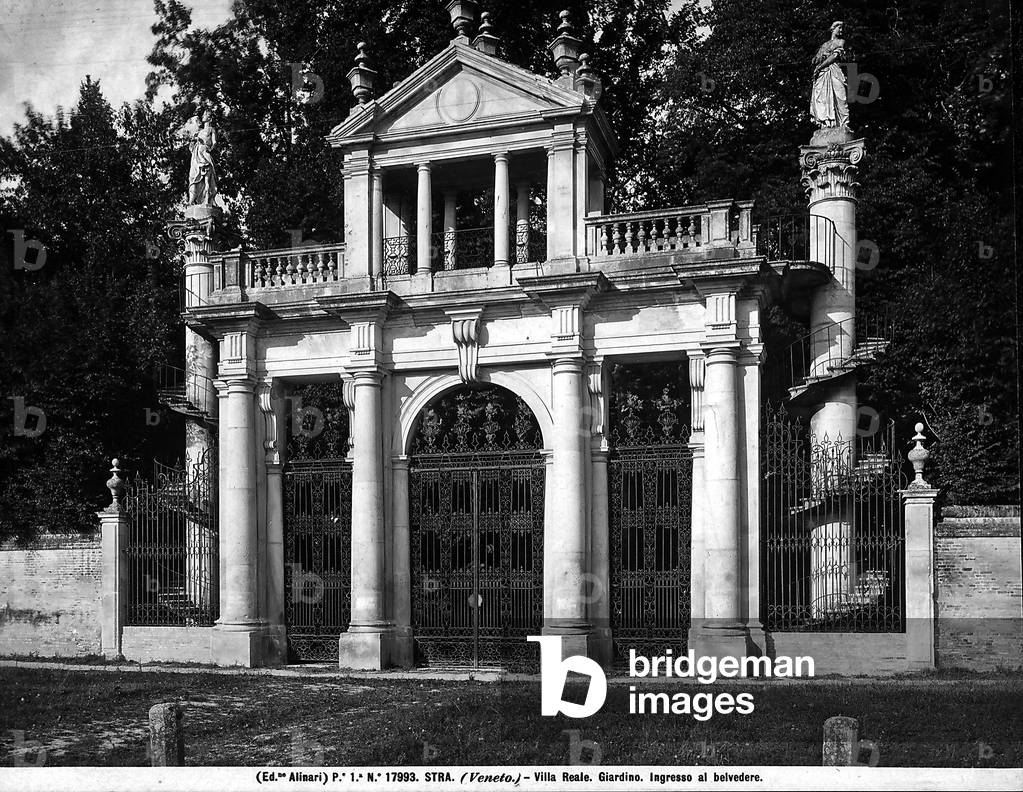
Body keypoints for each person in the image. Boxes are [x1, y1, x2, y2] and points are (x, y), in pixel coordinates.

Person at [810, 21, 849, 130]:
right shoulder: (825, 45)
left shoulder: (841, 42)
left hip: (834, 71)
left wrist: (820, 66)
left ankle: (843, 125)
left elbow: (835, 56)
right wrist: (820, 58)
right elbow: (814, 60)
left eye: (842, 29)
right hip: (823, 75)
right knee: (823, 99)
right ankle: (826, 124)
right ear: (833, 29)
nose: (841, 31)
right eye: (839, 28)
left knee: (840, 97)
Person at [187, 110, 217, 206]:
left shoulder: (211, 129)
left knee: (208, 175)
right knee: (194, 176)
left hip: (205, 152)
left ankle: (208, 198)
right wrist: (193, 140)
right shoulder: (199, 131)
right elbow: (191, 146)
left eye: (205, 115)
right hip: (196, 154)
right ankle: (192, 199)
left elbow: (214, 142)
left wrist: (210, 149)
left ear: (210, 118)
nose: (203, 116)